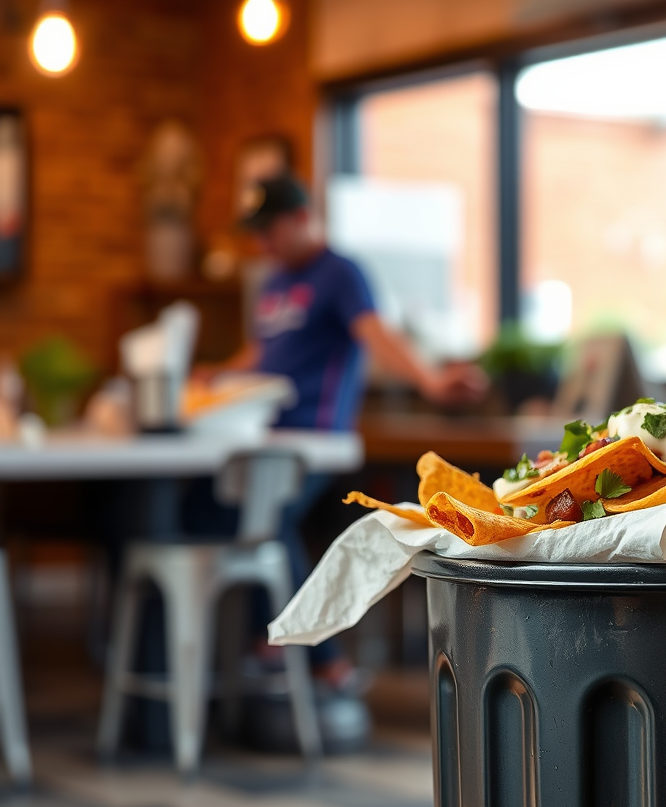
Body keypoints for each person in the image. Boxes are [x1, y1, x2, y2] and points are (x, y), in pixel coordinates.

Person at [195, 174, 487, 688]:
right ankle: (261, 645)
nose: (262, 244)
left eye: (271, 231)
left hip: (315, 439)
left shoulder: (340, 273)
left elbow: (376, 335)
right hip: (262, 434)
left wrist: (431, 381)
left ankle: (320, 658)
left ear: (303, 219)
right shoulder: (274, 281)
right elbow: (261, 353)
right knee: (223, 513)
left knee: (267, 521)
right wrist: (218, 374)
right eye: (256, 234)